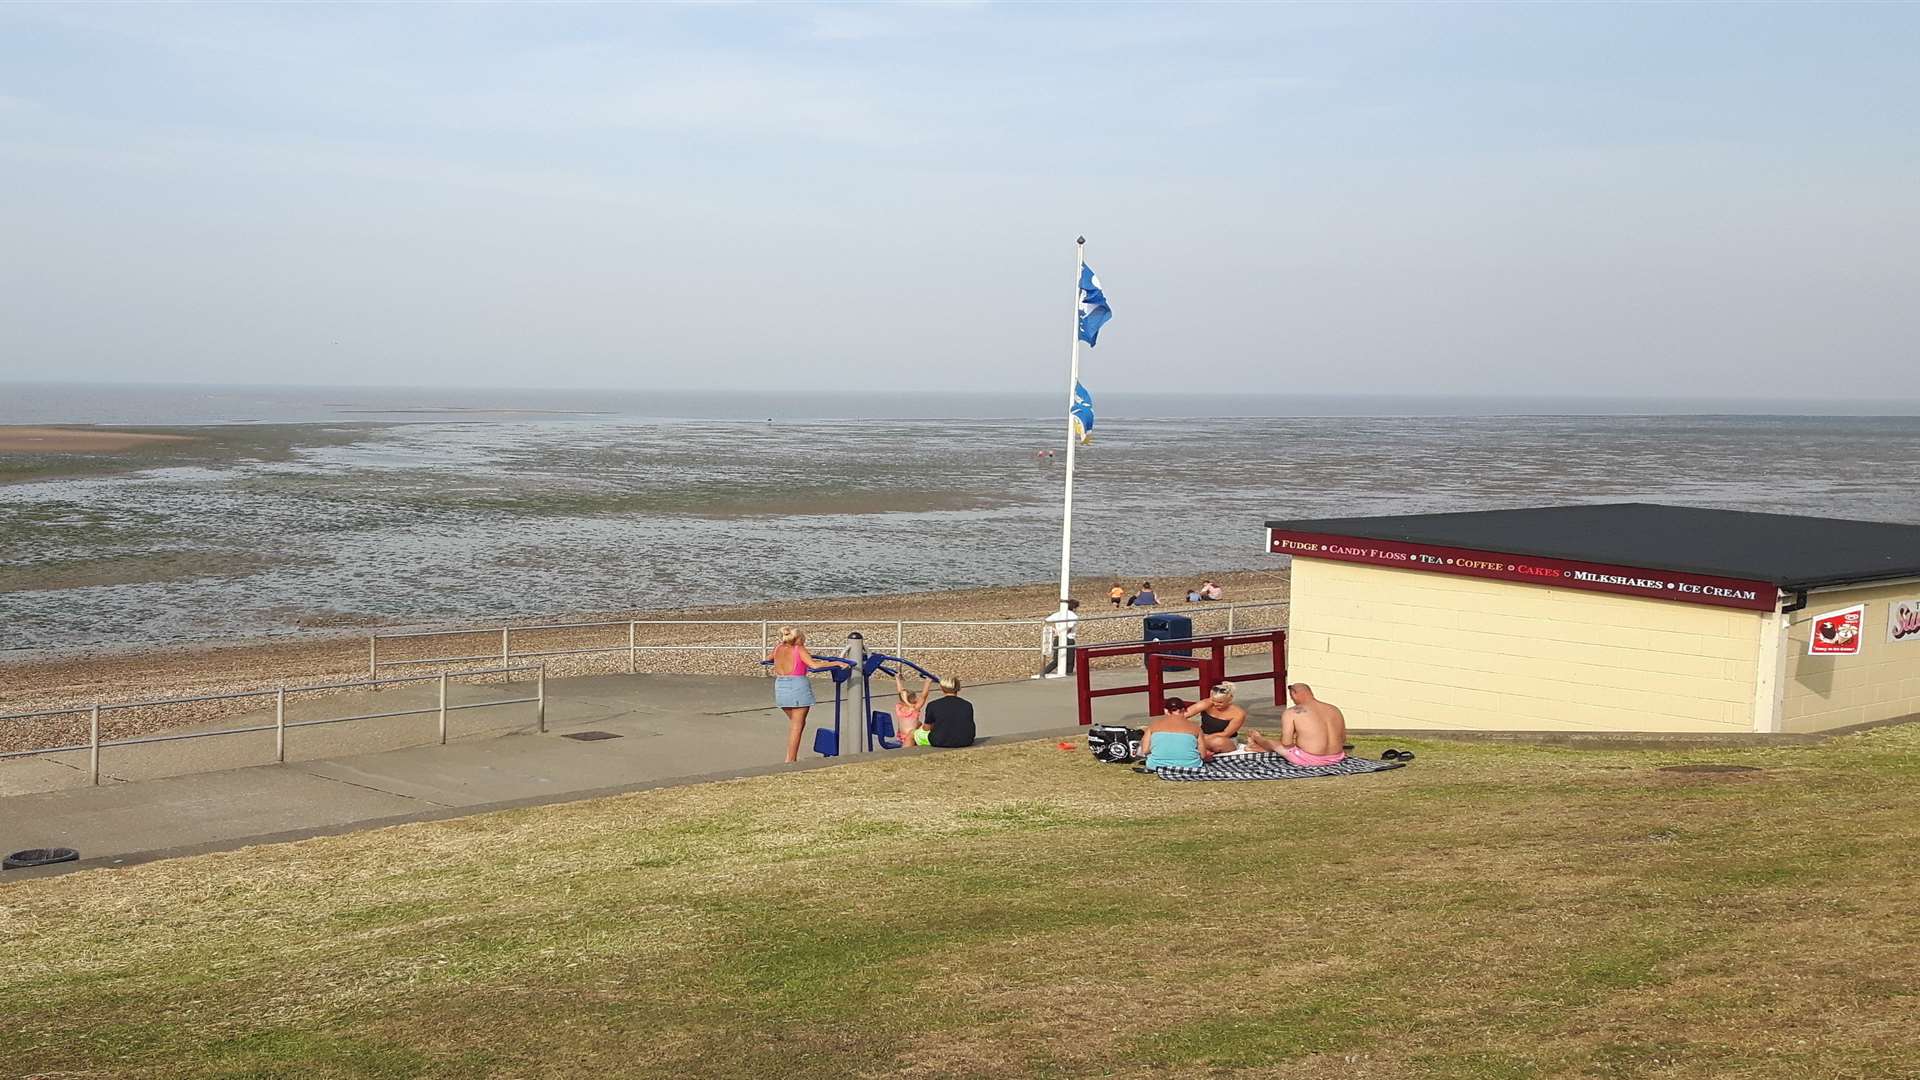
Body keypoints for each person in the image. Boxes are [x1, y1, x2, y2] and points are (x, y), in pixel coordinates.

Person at [768, 626, 831, 764]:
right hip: (797, 686)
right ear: (799, 639)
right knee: (797, 725)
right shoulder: (799, 649)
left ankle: (791, 757)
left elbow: (769, 658)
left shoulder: (778, 648)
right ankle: (790, 759)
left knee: (797, 723)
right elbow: (814, 665)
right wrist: (835, 663)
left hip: (781, 686)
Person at [1245, 682, 1348, 766]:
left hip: (1310, 759)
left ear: (1293, 694)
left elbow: (1286, 743)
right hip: (1337, 756)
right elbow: (1342, 739)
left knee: (1274, 743)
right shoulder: (1334, 709)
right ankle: (1260, 747)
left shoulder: (1292, 712)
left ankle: (1257, 738)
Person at [1176, 682, 1248, 756]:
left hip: (1224, 740)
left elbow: (1226, 734)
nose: (1216, 704)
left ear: (1230, 699)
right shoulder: (1206, 703)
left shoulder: (1238, 713)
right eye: (1213, 701)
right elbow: (1183, 715)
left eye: (1220, 702)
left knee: (1218, 742)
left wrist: (1202, 739)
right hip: (1202, 736)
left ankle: (1196, 749)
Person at [1140, 697, 1211, 769]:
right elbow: (1203, 755)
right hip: (1191, 765)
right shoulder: (1196, 728)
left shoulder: (1153, 726)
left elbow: (1145, 750)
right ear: (1184, 710)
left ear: (1166, 711)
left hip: (1156, 765)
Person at [915, 676, 977, 748]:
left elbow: (926, 728)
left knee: (915, 734)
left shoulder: (933, 705)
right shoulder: (967, 704)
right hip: (966, 740)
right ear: (958, 688)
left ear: (942, 688)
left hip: (939, 741)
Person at [889, 670, 934, 746]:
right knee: (923, 726)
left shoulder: (899, 707)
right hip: (910, 737)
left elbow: (901, 692)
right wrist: (928, 682)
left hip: (900, 737)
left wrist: (897, 678)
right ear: (914, 699)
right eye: (916, 697)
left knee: (919, 723)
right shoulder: (914, 709)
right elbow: (924, 695)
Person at [1038, 599, 1080, 678]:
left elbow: (1045, 621)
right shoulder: (1074, 616)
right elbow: (1069, 627)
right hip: (1069, 638)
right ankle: (1068, 673)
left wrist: (1053, 630)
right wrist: (1063, 633)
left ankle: (1044, 672)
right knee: (1070, 658)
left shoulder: (1058, 614)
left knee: (1057, 659)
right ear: (1074, 608)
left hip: (1058, 637)